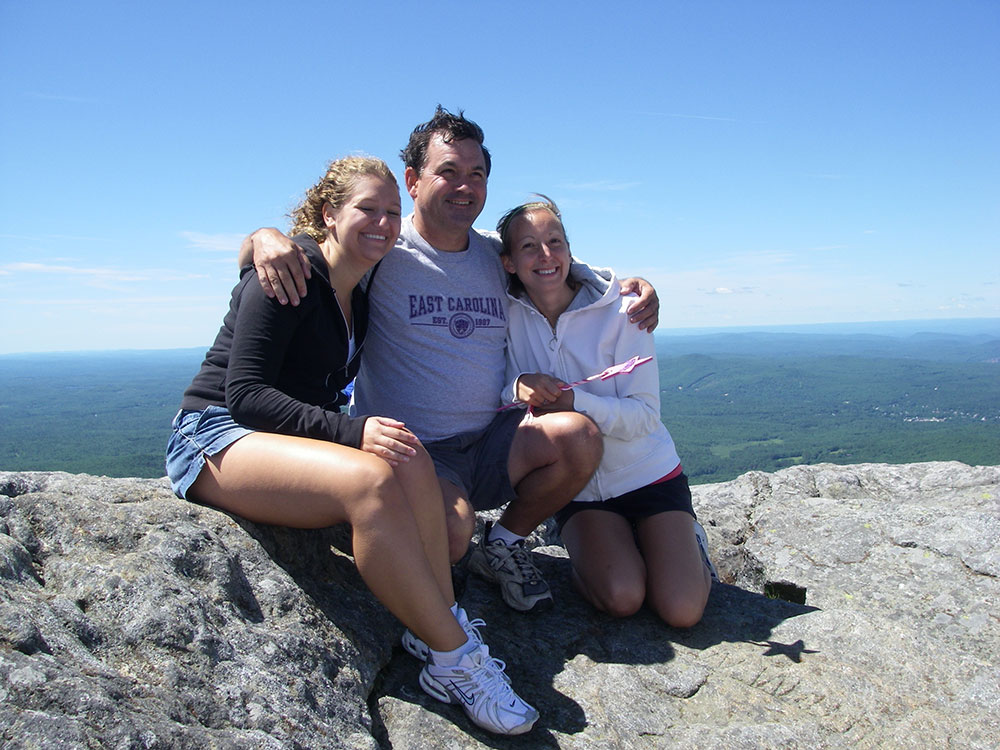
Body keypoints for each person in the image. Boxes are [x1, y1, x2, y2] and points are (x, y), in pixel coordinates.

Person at [165, 156, 538, 736]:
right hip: (215, 435)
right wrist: (264, 240)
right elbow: (244, 394)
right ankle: (458, 657)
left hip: (279, 435)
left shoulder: (357, 292)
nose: (385, 224)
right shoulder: (290, 274)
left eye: (392, 213)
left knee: (406, 453)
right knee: (370, 479)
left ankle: (438, 628)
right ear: (328, 216)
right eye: (368, 209)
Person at [240, 107, 660, 615]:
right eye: (449, 172)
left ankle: (503, 543)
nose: (465, 186)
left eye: (476, 174)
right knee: (451, 533)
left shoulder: (494, 256)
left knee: (578, 437)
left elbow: (561, 267)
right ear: (414, 181)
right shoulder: (382, 251)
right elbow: (317, 251)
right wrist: (261, 238)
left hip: (491, 440)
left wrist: (631, 286)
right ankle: (455, 560)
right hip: (418, 453)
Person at [496, 196, 717, 628]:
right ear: (507, 262)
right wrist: (518, 386)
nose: (545, 255)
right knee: (622, 598)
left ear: (570, 250)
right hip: (579, 491)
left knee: (682, 611)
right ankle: (609, 548)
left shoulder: (623, 310)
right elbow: (497, 394)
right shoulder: (503, 315)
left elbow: (644, 417)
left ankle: (690, 540)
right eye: (528, 247)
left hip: (647, 476)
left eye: (555, 241)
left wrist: (575, 403)